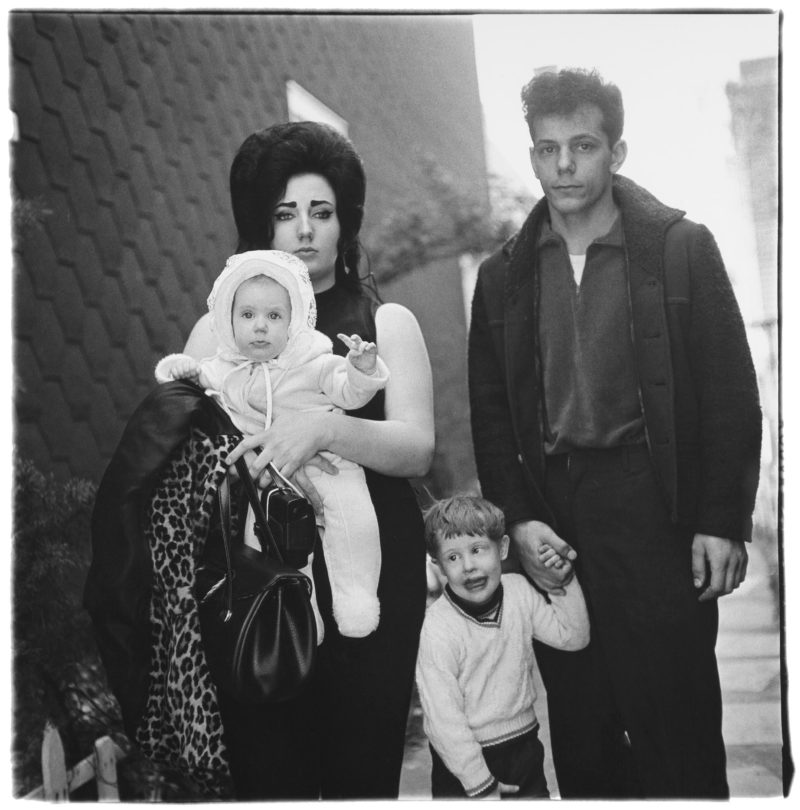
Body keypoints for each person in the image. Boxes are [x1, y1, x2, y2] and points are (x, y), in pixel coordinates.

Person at [468, 68, 761, 799]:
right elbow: (491, 413)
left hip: (653, 506)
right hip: (558, 515)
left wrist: (720, 520)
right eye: (546, 150)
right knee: (585, 736)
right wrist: (522, 518)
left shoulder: (679, 248)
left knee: (678, 730)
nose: (563, 165)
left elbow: (729, 392)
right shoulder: (502, 277)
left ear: (616, 151)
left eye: (583, 145)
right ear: (533, 155)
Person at [183, 121, 434, 799]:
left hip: (371, 580)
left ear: (344, 222)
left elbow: (416, 447)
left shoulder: (387, 323)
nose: (304, 229)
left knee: (361, 775)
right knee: (270, 776)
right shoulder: (219, 329)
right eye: (285, 213)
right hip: (255, 581)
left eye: (320, 212)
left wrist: (325, 428)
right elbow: (192, 457)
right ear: (261, 222)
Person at [156, 249, 389, 639]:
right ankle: (299, 617)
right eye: (247, 315)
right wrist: (179, 370)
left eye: (273, 316)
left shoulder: (312, 360)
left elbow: (349, 392)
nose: (260, 327)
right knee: (268, 547)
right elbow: (188, 392)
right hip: (264, 481)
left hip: (328, 464)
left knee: (355, 521)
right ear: (229, 322)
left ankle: (357, 597)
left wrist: (361, 370)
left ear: (292, 322)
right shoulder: (223, 369)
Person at [415, 495, 589, 799]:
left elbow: (573, 637)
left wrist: (565, 582)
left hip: (524, 747)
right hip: (463, 763)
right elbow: (443, 720)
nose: (468, 566)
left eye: (478, 550)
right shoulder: (436, 628)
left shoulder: (519, 592)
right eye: (453, 557)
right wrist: (479, 783)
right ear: (437, 564)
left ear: (503, 548)